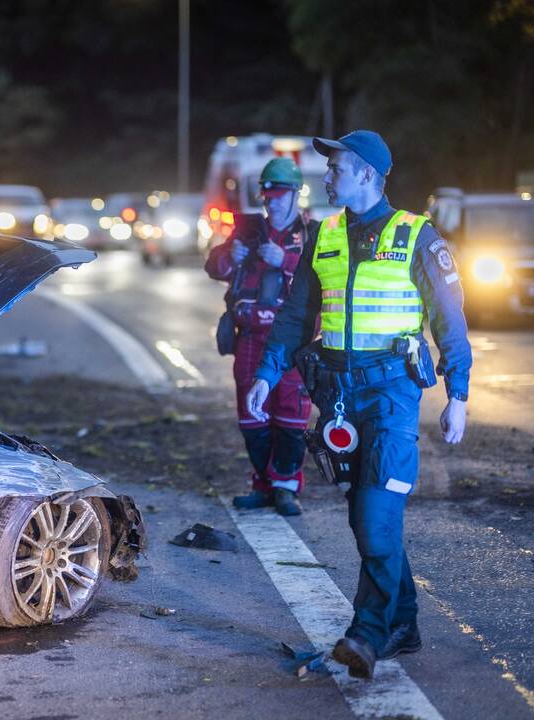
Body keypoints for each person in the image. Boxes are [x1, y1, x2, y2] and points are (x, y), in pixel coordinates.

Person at [245, 130, 471, 680]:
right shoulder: (323, 236)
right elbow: (296, 317)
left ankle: (366, 634)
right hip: (338, 399)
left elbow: (451, 321)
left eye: (337, 168)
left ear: (368, 173)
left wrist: (457, 394)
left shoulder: (417, 236)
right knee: (368, 517)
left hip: (393, 396)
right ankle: (405, 624)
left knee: (374, 517)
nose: (327, 177)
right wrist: (267, 374)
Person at [206, 158, 317, 516]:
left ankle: (286, 487)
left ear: (296, 195)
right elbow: (215, 268)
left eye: (281, 194)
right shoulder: (247, 229)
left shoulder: (312, 233)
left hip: (291, 343)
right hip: (250, 339)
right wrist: (229, 254)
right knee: (251, 416)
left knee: (291, 416)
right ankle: (263, 483)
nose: (273, 201)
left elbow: (322, 278)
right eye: (268, 194)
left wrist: (285, 260)